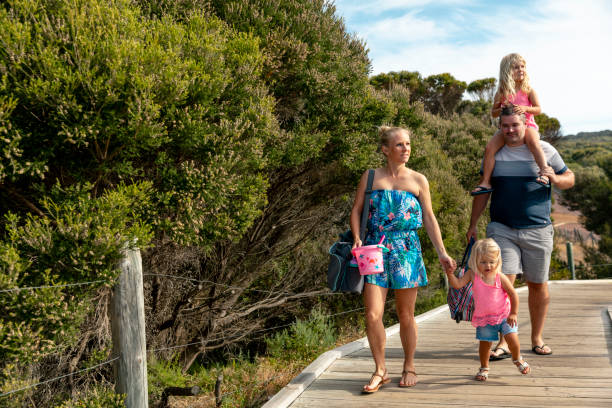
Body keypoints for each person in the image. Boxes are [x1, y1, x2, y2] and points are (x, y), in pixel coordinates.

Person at [351, 125, 456, 393]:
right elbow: (356, 211)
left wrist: (442, 252)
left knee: (406, 314)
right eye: (399, 145)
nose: (405, 149)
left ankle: (409, 366)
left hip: (407, 249)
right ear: (385, 149)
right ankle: (380, 370)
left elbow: (430, 219)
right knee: (373, 313)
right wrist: (357, 238)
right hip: (374, 250)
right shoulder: (371, 177)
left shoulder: (418, 180)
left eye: (407, 144)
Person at [467, 105, 575, 360]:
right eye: (505, 126)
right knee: (503, 283)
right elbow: (484, 191)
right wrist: (472, 225)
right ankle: (504, 341)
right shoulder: (495, 153)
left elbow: (569, 177)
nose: (510, 130)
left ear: (525, 124)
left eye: (514, 125)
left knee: (538, 285)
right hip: (502, 228)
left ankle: (536, 338)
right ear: (500, 127)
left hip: (538, 229)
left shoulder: (545, 150)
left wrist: (554, 179)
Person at [446, 238, 530, 381]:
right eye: (483, 262)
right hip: (484, 318)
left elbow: (513, 294)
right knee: (485, 345)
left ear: (497, 261)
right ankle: (484, 367)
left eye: (491, 262)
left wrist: (514, 313)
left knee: (513, 340)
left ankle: (517, 359)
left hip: (504, 315)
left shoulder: (499, 276)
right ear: (475, 260)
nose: (488, 265)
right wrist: (450, 274)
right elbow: (458, 285)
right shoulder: (472, 274)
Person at [471, 53, 552, 196]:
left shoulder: (529, 90)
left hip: (528, 126)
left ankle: (544, 173)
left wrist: (526, 108)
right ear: (507, 71)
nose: (521, 70)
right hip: (507, 129)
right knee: (490, 148)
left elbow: (538, 109)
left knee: (534, 142)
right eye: (516, 67)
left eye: (522, 66)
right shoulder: (502, 92)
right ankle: (485, 181)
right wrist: (501, 108)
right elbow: (493, 113)